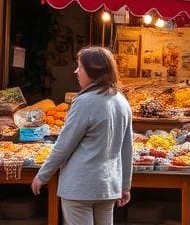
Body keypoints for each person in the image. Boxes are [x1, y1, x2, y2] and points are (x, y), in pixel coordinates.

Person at [31, 47, 132, 224]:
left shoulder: (84, 101)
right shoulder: (122, 101)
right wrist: (125, 185)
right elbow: (127, 148)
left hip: (80, 186)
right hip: (108, 186)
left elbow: (64, 144)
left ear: (93, 71)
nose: (76, 71)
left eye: (80, 67)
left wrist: (43, 175)